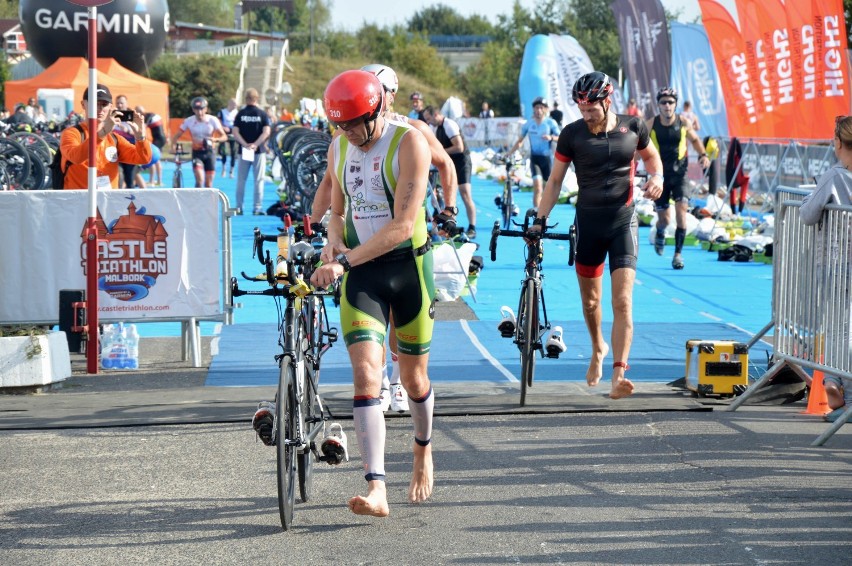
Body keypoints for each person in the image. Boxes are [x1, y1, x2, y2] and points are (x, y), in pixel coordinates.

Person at [310, 69, 435, 516]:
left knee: (413, 379)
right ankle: (376, 486)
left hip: (407, 268)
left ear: (377, 110)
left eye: (351, 124)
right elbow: (338, 209)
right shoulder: (339, 145)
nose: (345, 133)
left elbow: (402, 227)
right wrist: (332, 240)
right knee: (366, 374)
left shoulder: (409, 143)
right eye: (337, 125)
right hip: (363, 273)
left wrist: (343, 261)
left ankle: (422, 450)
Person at [310, 63, 459, 413]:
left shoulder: (413, 130)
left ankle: (397, 380)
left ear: (389, 96)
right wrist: (316, 227)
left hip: (405, 249)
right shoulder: (345, 139)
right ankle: (377, 381)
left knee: (402, 329)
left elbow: (446, 165)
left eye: (383, 89)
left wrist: (448, 210)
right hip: (362, 253)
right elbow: (330, 187)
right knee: (369, 337)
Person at [529, 71, 664, 399]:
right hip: (588, 224)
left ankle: (619, 374)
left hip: (623, 222)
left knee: (622, 300)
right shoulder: (571, 134)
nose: (585, 115)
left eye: (591, 109)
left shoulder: (633, 127)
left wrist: (657, 177)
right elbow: (555, 181)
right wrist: (540, 220)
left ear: (607, 101)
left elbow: (651, 158)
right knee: (591, 303)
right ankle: (597, 347)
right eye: (581, 109)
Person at [800, 115, 852, 423]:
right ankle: (838, 383)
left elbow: (807, 214)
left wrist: (810, 198)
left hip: (836, 261)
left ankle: (837, 381)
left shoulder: (835, 176)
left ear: (837, 142)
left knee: (839, 328)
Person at [646, 87, 710, 269]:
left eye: (670, 102)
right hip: (659, 177)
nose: (667, 106)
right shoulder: (651, 123)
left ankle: (677, 255)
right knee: (665, 220)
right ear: (658, 105)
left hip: (680, 175)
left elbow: (696, 140)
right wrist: (631, 166)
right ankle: (660, 232)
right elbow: (639, 145)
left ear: (675, 104)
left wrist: (703, 155)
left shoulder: (683, 122)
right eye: (663, 102)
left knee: (682, 214)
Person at [60, 84, 152, 189]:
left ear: (110, 107)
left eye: (104, 104)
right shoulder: (72, 133)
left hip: (108, 201)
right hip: (79, 201)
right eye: (94, 103)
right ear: (83, 104)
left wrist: (140, 137)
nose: (100, 108)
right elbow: (76, 157)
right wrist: (103, 132)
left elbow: (143, 159)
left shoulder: (114, 139)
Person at [421, 105, 477, 238]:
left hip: (461, 161)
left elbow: (459, 146)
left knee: (465, 194)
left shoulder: (449, 124)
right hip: (447, 163)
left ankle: (472, 227)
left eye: (429, 118)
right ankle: (446, 225)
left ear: (436, 115)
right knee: (442, 193)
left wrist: (440, 154)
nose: (428, 122)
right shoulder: (434, 127)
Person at [505, 97, 561, 208]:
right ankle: (537, 215)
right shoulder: (529, 124)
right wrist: (510, 153)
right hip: (535, 159)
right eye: (536, 108)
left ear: (545, 109)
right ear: (533, 109)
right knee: (538, 188)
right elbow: (520, 141)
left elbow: (561, 138)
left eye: (541, 108)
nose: (538, 110)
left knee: (548, 191)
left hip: (547, 159)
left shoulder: (551, 123)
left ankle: (545, 215)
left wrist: (551, 137)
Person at [169, 96, 228, 188]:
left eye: (201, 109)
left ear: (206, 109)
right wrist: (172, 147)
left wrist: (215, 139)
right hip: (197, 153)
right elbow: (176, 136)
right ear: (193, 109)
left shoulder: (213, 120)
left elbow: (224, 136)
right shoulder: (189, 121)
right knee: (199, 180)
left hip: (210, 152)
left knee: (208, 184)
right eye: (197, 109)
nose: (199, 112)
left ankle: (207, 202)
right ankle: (197, 201)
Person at [232, 88, 272, 216]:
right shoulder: (262, 114)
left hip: (244, 150)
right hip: (258, 150)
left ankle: (239, 207)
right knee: (258, 180)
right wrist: (255, 144)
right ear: (257, 98)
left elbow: (235, 132)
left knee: (241, 180)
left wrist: (245, 144)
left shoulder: (240, 114)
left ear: (246, 99)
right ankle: (257, 208)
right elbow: (266, 131)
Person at [114, 94, 140, 188]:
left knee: (129, 180)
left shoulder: (133, 116)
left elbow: (141, 133)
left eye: (121, 103)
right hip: (116, 151)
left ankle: (131, 200)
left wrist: (128, 130)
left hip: (130, 150)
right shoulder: (113, 116)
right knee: (118, 177)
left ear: (126, 103)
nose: (119, 105)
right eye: (117, 103)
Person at [136, 105, 166, 186]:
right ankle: (159, 181)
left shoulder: (149, 116)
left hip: (159, 140)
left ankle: (152, 181)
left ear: (142, 112)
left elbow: (144, 128)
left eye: (137, 112)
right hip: (159, 139)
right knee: (157, 160)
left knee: (152, 158)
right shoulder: (149, 116)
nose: (136, 114)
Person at [218, 98, 238, 178]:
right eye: (234, 104)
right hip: (224, 134)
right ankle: (223, 169)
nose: (235, 106)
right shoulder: (222, 112)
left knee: (233, 152)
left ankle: (231, 171)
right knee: (224, 152)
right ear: (230, 104)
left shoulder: (237, 113)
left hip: (233, 134)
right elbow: (218, 122)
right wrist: (223, 127)